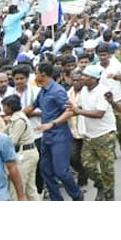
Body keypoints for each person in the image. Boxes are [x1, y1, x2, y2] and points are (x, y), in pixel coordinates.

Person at [29, 62, 84, 201]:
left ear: (43, 74)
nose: (35, 75)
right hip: (47, 137)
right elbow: (32, 106)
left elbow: (70, 111)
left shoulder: (57, 91)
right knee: (45, 171)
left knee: (61, 172)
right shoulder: (43, 91)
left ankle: (77, 195)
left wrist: (52, 124)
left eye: (36, 72)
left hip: (59, 136)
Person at [71, 65, 119, 201]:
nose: (82, 78)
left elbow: (99, 113)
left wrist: (78, 112)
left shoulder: (104, 91)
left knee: (107, 169)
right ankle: (101, 186)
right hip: (89, 135)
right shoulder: (84, 91)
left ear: (94, 79)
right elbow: (78, 106)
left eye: (86, 76)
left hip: (105, 134)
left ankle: (109, 196)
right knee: (87, 166)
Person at [0, 94, 39, 201]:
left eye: (4, 106)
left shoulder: (19, 120)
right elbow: (3, 133)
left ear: (10, 107)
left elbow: (11, 141)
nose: (3, 109)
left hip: (25, 154)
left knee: (17, 187)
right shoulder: (16, 118)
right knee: (30, 188)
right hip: (29, 153)